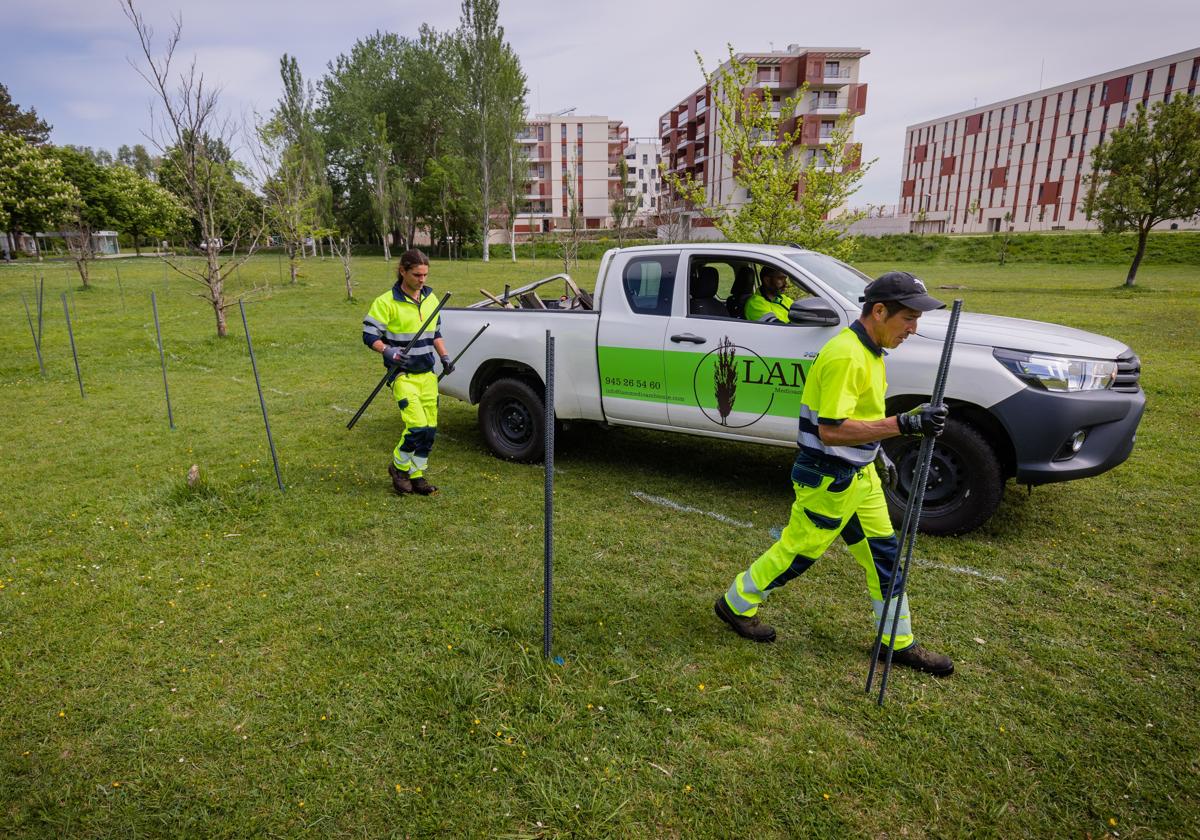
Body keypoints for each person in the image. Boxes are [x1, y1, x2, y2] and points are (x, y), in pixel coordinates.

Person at [714, 271, 955, 677]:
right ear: (879, 311)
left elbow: (862, 419)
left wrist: (879, 456)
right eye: (908, 319)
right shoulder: (846, 355)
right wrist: (906, 425)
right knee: (797, 553)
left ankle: (896, 642)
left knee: (886, 557)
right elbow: (832, 429)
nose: (914, 329)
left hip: (861, 478)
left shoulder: (872, 351)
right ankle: (736, 604)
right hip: (829, 477)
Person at [361, 249, 455, 496]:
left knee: (430, 429)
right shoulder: (385, 302)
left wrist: (444, 356)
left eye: (425, 274)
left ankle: (417, 474)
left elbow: (435, 333)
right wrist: (387, 351)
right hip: (402, 375)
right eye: (417, 274)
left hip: (428, 374)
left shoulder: (431, 299)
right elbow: (369, 335)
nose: (422, 280)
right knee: (416, 426)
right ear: (402, 271)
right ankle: (399, 469)